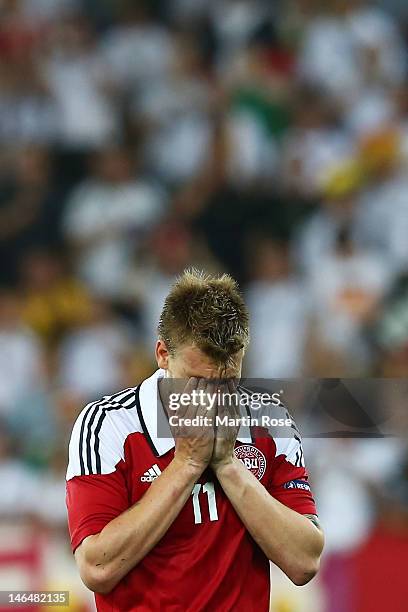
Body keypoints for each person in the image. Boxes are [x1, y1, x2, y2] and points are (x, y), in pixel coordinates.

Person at [66, 269, 324, 611]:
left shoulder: (269, 422)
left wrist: (229, 466)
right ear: (162, 354)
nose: (212, 397)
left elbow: (305, 562)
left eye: (227, 381)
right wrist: (187, 463)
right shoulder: (108, 425)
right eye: (195, 381)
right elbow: (96, 567)